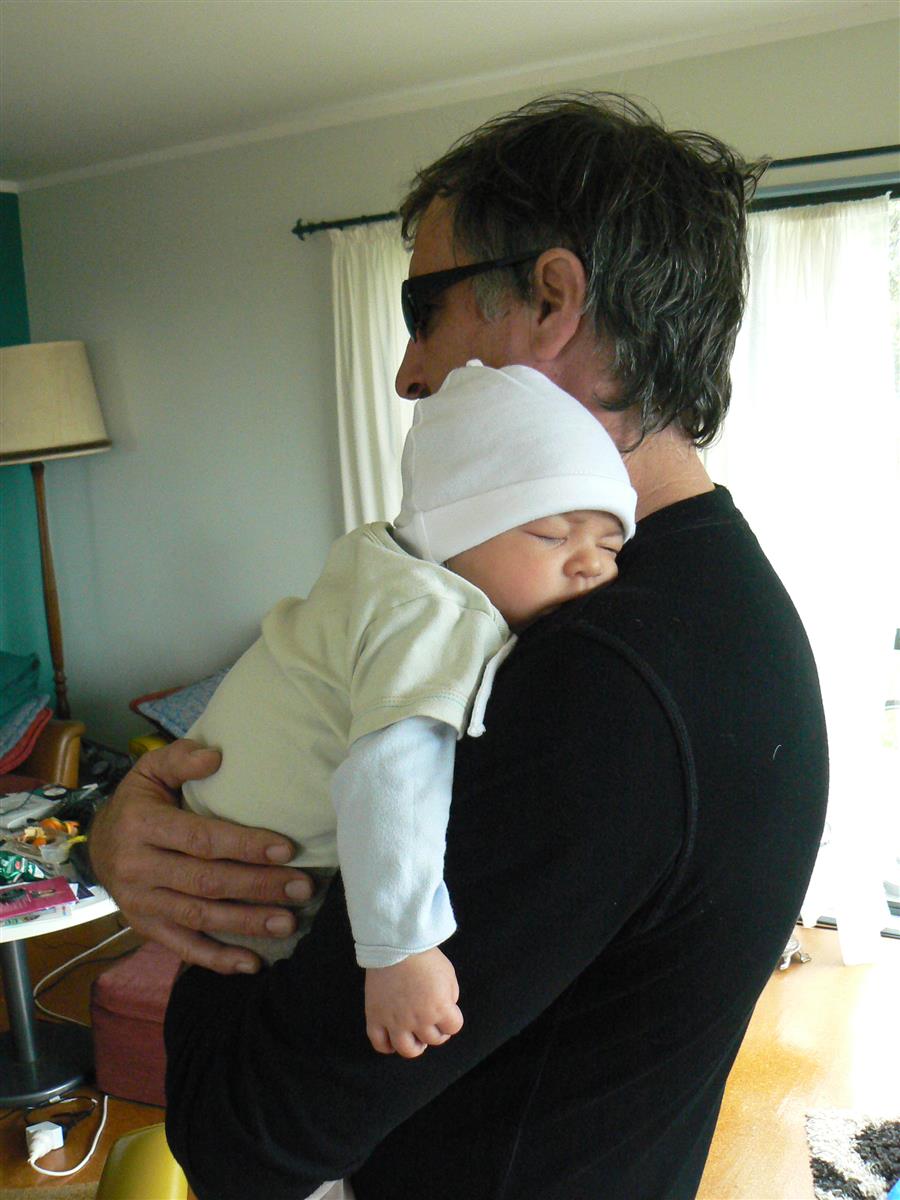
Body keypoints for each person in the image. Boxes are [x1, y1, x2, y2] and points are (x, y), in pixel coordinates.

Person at [89, 93, 828, 1200]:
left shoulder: (603, 680)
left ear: (552, 299)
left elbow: (246, 1132)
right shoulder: (704, 600)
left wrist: (201, 919)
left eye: (421, 309)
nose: (407, 372)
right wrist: (147, 835)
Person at [179, 359, 636, 1059]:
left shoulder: (377, 569)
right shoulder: (439, 614)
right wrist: (400, 949)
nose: (590, 564)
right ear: (455, 533)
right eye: (552, 534)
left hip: (218, 840)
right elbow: (390, 777)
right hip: (263, 893)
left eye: (610, 545)